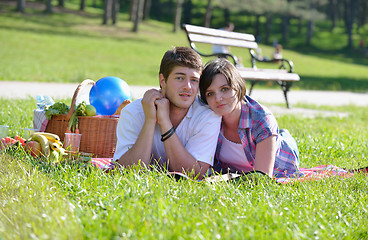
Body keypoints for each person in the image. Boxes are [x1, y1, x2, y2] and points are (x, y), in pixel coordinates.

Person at [113, 46, 221, 179]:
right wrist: (150, 121)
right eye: (180, 78)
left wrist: (165, 123)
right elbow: (124, 173)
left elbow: (195, 175)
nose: (188, 87)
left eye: (194, 80)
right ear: (163, 80)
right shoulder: (133, 112)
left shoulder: (208, 115)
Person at [199, 58, 302, 178]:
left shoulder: (261, 119)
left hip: (285, 156)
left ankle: (284, 135)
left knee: (284, 138)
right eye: (210, 94)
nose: (218, 98)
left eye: (224, 89)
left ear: (238, 87)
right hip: (240, 171)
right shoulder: (208, 118)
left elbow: (261, 178)